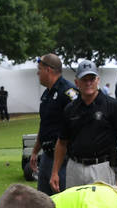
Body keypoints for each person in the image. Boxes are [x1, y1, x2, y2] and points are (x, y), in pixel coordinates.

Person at [50, 60, 117, 192]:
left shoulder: (113, 106)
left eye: (92, 79)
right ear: (76, 82)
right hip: (74, 167)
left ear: (98, 80)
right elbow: (62, 142)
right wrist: (55, 172)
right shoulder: (70, 109)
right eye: (84, 79)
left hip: (102, 168)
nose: (88, 83)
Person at [29, 54, 77, 195]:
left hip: (63, 159)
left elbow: (76, 126)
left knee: (61, 201)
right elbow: (45, 125)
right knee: (43, 202)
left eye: (39, 69)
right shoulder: (47, 94)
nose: (38, 73)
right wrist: (35, 151)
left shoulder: (68, 92)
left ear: (48, 70)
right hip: (46, 156)